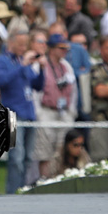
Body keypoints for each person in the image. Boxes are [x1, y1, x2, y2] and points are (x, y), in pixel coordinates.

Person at [0, 30, 44, 193]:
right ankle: (12, 192)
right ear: (11, 43)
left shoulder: (24, 60)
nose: (24, 48)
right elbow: (2, 81)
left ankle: (24, 189)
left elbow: (37, 85)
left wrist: (42, 69)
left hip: (30, 114)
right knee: (17, 157)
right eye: (21, 44)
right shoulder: (3, 61)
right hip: (14, 116)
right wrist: (21, 66)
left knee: (29, 157)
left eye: (25, 44)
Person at [33, 34, 78, 179]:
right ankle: (45, 181)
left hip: (63, 113)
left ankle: (61, 181)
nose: (64, 51)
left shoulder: (66, 67)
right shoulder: (40, 64)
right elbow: (35, 91)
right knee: (45, 151)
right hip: (46, 111)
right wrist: (38, 113)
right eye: (61, 48)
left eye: (66, 48)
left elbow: (74, 92)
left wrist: (71, 112)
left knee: (63, 150)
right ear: (51, 49)